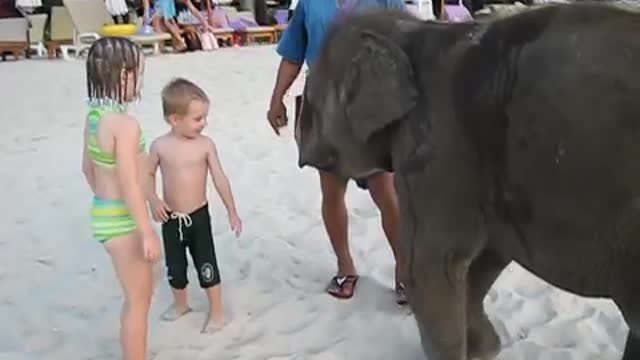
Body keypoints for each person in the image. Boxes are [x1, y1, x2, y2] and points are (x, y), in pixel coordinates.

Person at [267, 0, 408, 304]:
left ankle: (405, 271)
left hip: (372, 107)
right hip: (323, 106)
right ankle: (345, 267)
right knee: (332, 191)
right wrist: (277, 98)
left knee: (385, 190)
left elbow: (415, 42)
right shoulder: (310, 3)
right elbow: (293, 54)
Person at [81, 37, 161, 360]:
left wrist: (107, 204)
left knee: (135, 296)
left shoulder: (94, 117)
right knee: (139, 301)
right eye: (137, 75)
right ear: (122, 76)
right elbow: (129, 183)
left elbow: (87, 168)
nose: (138, 83)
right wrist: (145, 231)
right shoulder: (124, 125)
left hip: (103, 211)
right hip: (123, 219)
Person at [146, 77, 242, 333]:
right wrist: (153, 199)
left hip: (198, 217)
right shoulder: (160, 146)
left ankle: (217, 312)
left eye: (204, 118)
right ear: (174, 119)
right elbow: (146, 176)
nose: (204, 123)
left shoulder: (205, 145)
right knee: (175, 266)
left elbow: (219, 178)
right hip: (171, 218)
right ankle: (181, 305)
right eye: (197, 119)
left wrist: (232, 210)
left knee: (206, 262)